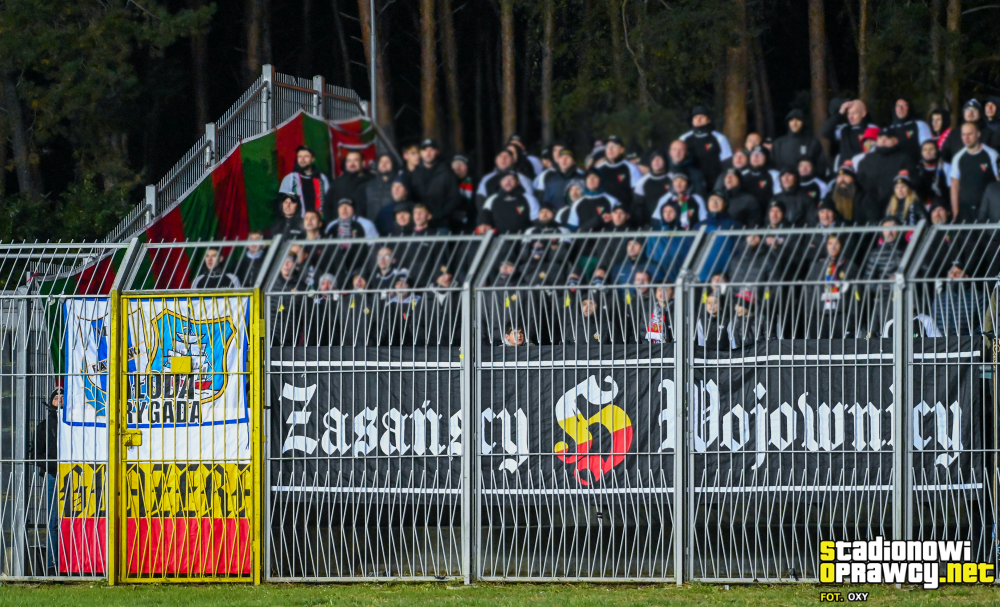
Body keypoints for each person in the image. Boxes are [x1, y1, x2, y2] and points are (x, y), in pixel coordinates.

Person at [855, 128, 917, 224]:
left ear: (895, 141)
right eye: (880, 138)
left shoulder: (904, 158)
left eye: (887, 138)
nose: (883, 140)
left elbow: (913, 181)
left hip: (895, 205)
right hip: (871, 208)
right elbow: (860, 182)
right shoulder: (867, 159)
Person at [805, 235, 859, 338]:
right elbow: (810, 292)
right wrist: (809, 314)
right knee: (819, 346)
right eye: (830, 243)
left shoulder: (850, 266)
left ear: (841, 246)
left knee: (843, 346)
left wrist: (852, 315)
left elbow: (856, 292)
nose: (833, 246)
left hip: (842, 315)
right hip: (820, 315)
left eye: (836, 243)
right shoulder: (817, 267)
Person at [32, 387, 61, 575]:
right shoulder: (44, 426)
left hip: (77, 473)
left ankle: (76, 564)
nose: (60, 399)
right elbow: (35, 454)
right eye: (56, 397)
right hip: (53, 475)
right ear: (51, 401)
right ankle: (52, 566)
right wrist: (52, 466)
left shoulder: (77, 423)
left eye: (63, 396)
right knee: (53, 521)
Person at [949, 121, 999, 221]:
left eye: (969, 134)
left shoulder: (992, 155)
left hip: (988, 210)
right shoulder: (958, 158)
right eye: (963, 134)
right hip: (966, 211)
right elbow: (954, 185)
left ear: (978, 134)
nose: (966, 138)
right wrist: (955, 211)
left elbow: (998, 181)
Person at [410, 139, 461, 231]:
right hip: (420, 226)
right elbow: (412, 197)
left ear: (437, 152)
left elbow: (454, 198)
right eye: (425, 150)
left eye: (431, 150)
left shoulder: (447, 172)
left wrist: (438, 215)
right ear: (421, 153)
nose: (428, 153)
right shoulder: (415, 173)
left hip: (441, 225)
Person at [680, 105, 732, 187]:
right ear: (692, 121)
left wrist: (720, 186)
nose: (698, 119)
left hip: (715, 183)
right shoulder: (684, 139)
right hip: (691, 184)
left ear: (709, 120)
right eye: (695, 117)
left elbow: (727, 163)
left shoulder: (720, 138)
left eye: (702, 117)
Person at [932, 262, 983, 336]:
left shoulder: (979, 297)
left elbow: (984, 323)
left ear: (966, 276)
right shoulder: (939, 298)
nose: (953, 275)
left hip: (967, 342)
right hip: (942, 341)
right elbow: (933, 322)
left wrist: (969, 339)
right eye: (951, 272)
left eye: (957, 273)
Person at [279, 145, 330, 216]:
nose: (302, 160)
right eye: (299, 157)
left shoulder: (322, 178)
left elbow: (329, 201)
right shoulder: (289, 179)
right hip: (297, 221)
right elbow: (282, 204)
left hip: (318, 220)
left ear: (312, 159)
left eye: (306, 156)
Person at [772, 108, 826, 174]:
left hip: (808, 180)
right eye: (791, 120)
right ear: (788, 123)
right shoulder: (778, 143)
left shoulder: (813, 142)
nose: (794, 123)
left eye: (798, 120)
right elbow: (773, 166)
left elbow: (821, 164)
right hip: (784, 179)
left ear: (803, 122)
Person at [822, 99, 872, 169]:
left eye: (854, 113)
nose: (850, 117)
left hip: (862, 171)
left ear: (863, 113)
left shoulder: (871, 130)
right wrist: (840, 113)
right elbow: (825, 132)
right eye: (848, 113)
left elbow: (871, 154)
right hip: (843, 172)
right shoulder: (843, 129)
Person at [597, 135, 643, 207]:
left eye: (614, 145)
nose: (610, 149)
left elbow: (638, 195)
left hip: (626, 211)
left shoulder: (631, 168)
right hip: (605, 211)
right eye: (607, 146)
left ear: (622, 149)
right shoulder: (598, 169)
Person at [328, 150, 373, 223]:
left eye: (356, 160)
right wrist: (331, 224)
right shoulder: (337, 183)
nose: (352, 164)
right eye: (349, 161)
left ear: (363, 163)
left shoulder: (372, 182)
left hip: (366, 226)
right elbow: (328, 206)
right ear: (346, 164)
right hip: (341, 227)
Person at [632, 149, 673, 227]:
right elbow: (638, 206)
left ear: (665, 161)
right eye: (653, 159)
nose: (656, 161)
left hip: (671, 222)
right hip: (650, 224)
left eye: (659, 158)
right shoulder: (642, 182)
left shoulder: (673, 178)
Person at [363, 153, 399, 227]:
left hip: (392, 227)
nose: (384, 164)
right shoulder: (369, 185)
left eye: (387, 162)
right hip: (372, 227)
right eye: (381, 162)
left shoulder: (399, 185)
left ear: (393, 165)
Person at [917, 140, 948, 205]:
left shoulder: (944, 166)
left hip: (943, 205)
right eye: (925, 150)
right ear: (921, 152)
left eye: (931, 149)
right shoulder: (917, 168)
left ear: (937, 151)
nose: (928, 152)